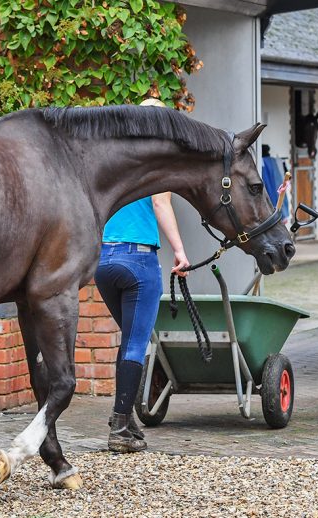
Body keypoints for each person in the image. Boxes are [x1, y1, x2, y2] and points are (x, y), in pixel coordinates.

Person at [95, 98, 191, 453]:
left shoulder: (111, 155)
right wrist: (179, 251)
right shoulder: (156, 159)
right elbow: (159, 204)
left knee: (130, 339)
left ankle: (125, 419)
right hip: (139, 260)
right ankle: (119, 429)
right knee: (137, 343)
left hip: (103, 259)